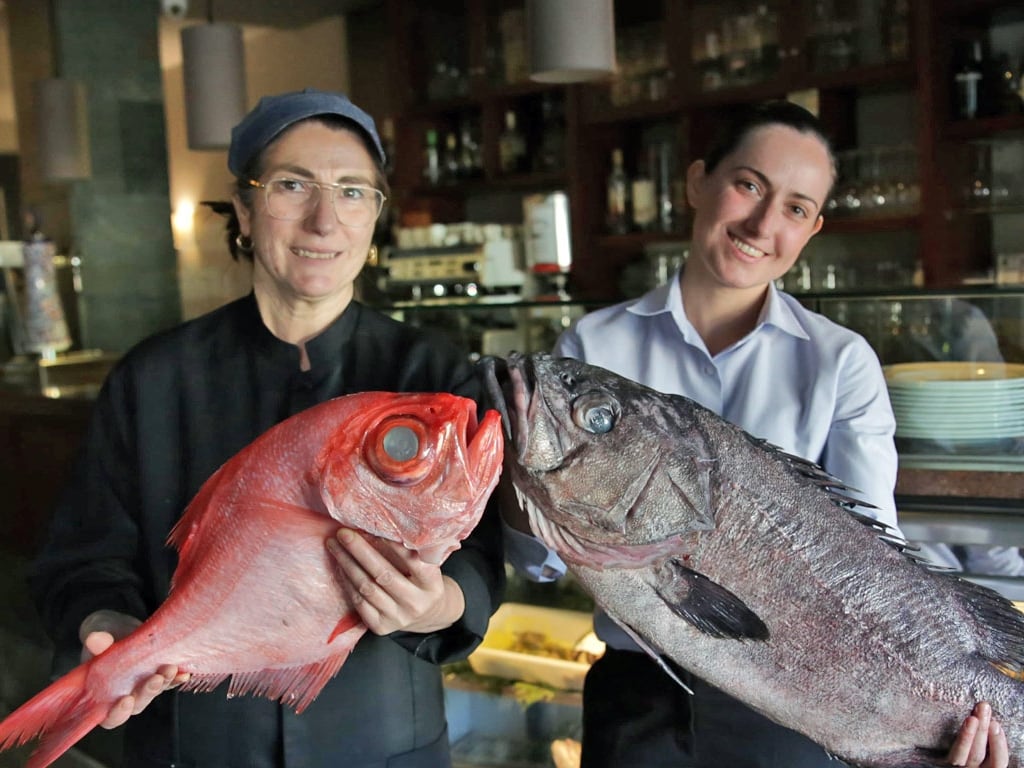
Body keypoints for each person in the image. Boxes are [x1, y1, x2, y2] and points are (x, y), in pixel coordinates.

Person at [504, 100, 1009, 768]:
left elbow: (879, 570)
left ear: (813, 230)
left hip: (803, 703)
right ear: (697, 183)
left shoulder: (839, 361)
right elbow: (536, 560)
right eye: (749, 185)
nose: (764, 224)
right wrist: (513, 470)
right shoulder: (594, 345)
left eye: (797, 208)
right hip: (639, 700)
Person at [28, 88, 505, 768]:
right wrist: (108, 625)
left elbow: (484, 554)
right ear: (246, 211)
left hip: (383, 745)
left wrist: (440, 603)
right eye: (292, 185)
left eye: (352, 191)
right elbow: (84, 552)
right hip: (195, 742)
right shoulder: (152, 378)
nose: (324, 220)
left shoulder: (434, 377)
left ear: (375, 217)